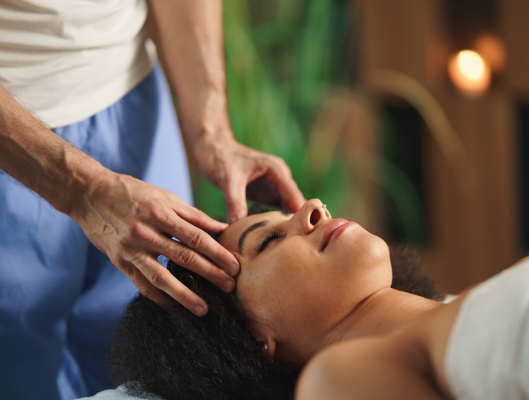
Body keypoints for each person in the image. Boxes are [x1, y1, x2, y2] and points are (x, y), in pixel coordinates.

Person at [0, 1, 304, 399]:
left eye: (270, 235)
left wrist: (212, 129)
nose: (314, 210)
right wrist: (83, 190)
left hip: (133, 102)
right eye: (268, 239)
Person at [103, 199, 529, 400]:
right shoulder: (334, 383)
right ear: (252, 341)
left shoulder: (474, 303)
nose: (313, 208)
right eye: (268, 241)